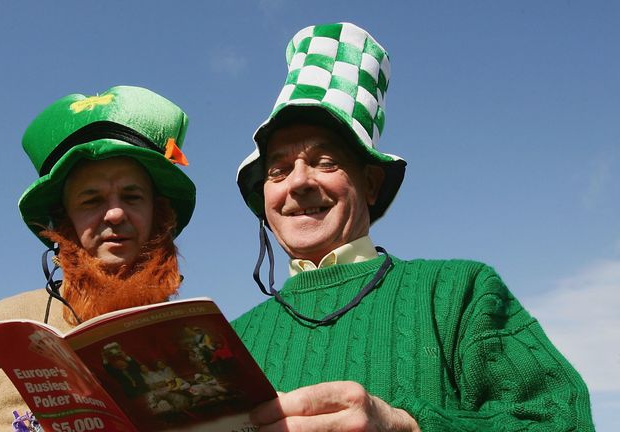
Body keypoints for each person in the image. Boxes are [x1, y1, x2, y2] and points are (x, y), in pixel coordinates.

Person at [232, 23, 594, 431]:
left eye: (325, 161)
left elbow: (564, 421)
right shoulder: (232, 340)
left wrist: (406, 426)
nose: (298, 182)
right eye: (278, 170)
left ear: (369, 183)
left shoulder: (460, 292)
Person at [0, 85, 196, 431]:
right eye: (92, 200)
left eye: (133, 196)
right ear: (65, 222)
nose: (115, 213)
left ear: (158, 214)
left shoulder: (196, 344)